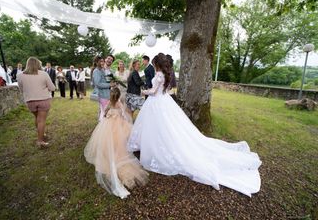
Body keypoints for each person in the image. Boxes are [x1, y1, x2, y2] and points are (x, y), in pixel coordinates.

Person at [128, 53, 262, 197]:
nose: (153, 65)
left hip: (157, 102)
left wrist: (143, 91)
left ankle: (156, 148)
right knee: (164, 128)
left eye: (154, 63)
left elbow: (154, 92)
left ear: (157, 63)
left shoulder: (159, 74)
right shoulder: (166, 74)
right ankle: (155, 144)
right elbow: (165, 90)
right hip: (164, 102)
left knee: (159, 127)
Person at [84, 87, 148, 199]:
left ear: (111, 96)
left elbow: (104, 114)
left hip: (108, 126)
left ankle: (108, 155)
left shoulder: (109, 103)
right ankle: (117, 154)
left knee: (107, 141)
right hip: (118, 127)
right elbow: (123, 115)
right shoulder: (119, 104)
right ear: (119, 96)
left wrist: (108, 116)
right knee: (119, 143)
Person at [17, 57, 55, 148]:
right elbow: (52, 88)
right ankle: (40, 141)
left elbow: (21, 89)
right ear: (38, 64)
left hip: (30, 101)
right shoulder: (43, 74)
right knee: (41, 120)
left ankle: (42, 134)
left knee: (37, 118)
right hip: (43, 100)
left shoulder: (20, 75)